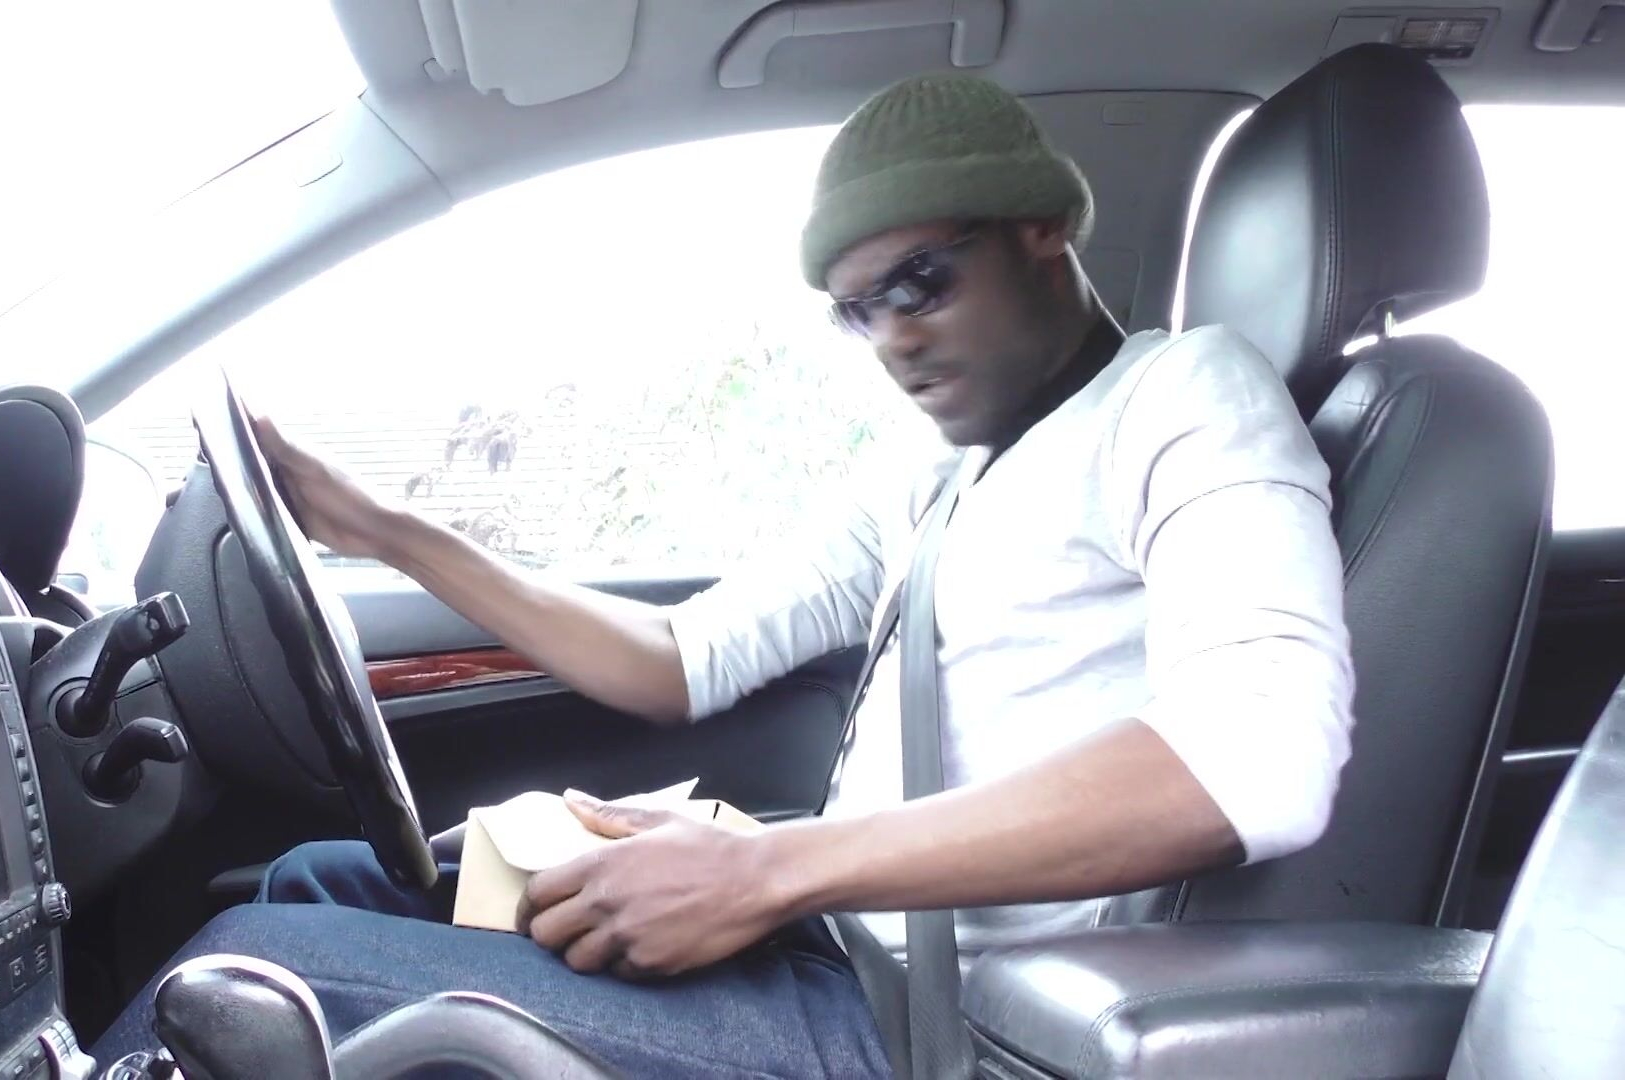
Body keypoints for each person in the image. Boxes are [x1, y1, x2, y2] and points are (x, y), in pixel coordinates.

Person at [113, 72, 1354, 1078]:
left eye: (920, 283)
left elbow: (1254, 761)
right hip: (836, 940)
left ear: (1043, 228)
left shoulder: (1185, 395)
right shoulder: (934, 477)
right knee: (325, 879)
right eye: (857, 312)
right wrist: (382, 527)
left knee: (245, 964)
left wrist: (768, 869)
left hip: (929, 1025)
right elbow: (679, 659)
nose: (895, 340)